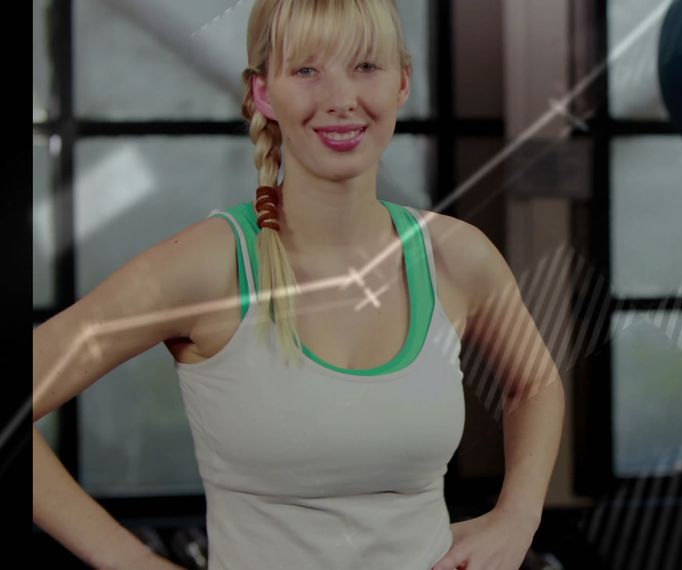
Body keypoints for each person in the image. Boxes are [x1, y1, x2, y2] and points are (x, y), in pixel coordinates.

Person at [32, 1, 566, 568]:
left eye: (366, 66)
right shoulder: (207, 266)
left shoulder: (456, 257)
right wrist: (131, 562)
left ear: (402, 83)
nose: (341, 98)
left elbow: (535, 385)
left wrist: (519, 516)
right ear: (263, 92)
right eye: (307, 69)